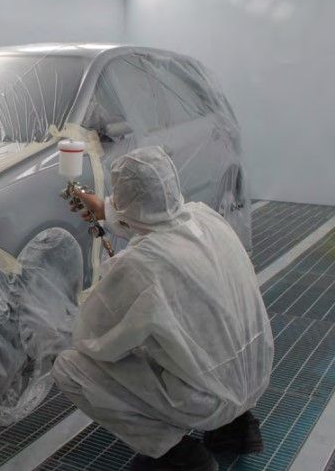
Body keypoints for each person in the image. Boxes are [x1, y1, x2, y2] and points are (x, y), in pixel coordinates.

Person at [52, 146, 273, 471]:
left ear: (124, 199)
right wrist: (108, 211)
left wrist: (103, 293)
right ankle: (236, 429)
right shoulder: (207, 218)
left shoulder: (141, 266)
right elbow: (160, 221)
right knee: (188, 329)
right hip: (254, 376)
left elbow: (92, 341)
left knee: (70, 367)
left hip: (206, 401)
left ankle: (177, 456)